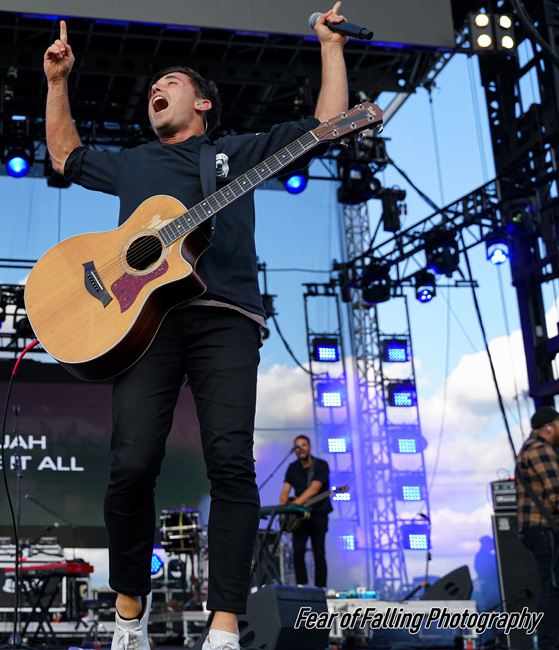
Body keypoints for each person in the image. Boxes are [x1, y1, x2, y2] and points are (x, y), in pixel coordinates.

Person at [43, 5, 349, 650]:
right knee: (131, 465)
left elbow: (328, 124)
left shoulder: (234, 156)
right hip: (142, 322)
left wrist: (329, 45)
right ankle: (130, 610)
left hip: (225, 316)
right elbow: (65, 154)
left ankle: (226, 625)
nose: (156, 88)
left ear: (203, 103)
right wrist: (58, 82)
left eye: (172, 82)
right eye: (153, 86)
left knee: (230, 463)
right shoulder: (134, 163)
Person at [516, 406, 559, 650]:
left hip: (537, 528)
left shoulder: (530, 448)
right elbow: (557, 493)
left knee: (551, 585)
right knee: (551, 587)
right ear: (549, 427)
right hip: (542, 528)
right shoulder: (540, 449)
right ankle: (548, 645)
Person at [279, 435, 332, 588]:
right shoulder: (292, 468)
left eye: (303, 445)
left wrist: (295, 504)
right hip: (299, 517)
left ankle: (320, 587)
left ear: (310, 447)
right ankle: (301, 585)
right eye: (297, 446)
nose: (300, 449)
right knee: (298, 550)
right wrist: (283, 510)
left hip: (318, 514)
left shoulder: (320, 465)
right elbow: (285, 491)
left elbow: (314, 489)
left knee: (319, 551)